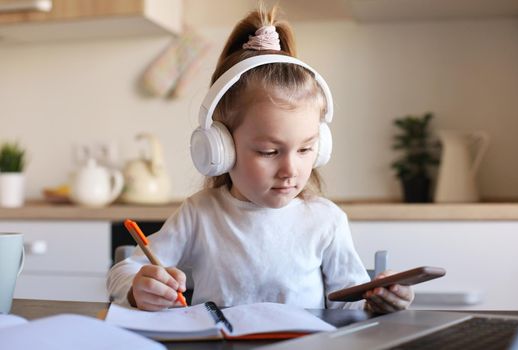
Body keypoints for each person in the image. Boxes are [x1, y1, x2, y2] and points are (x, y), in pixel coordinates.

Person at [107, 5, 414, 314]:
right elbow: (123, 273)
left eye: (306, 149)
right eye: (269, 152)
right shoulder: (200, 215)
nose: (290, 170)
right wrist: (138, 289)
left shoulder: (326, 221)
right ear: (220, 149)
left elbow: (350, 309)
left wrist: (379, 304)